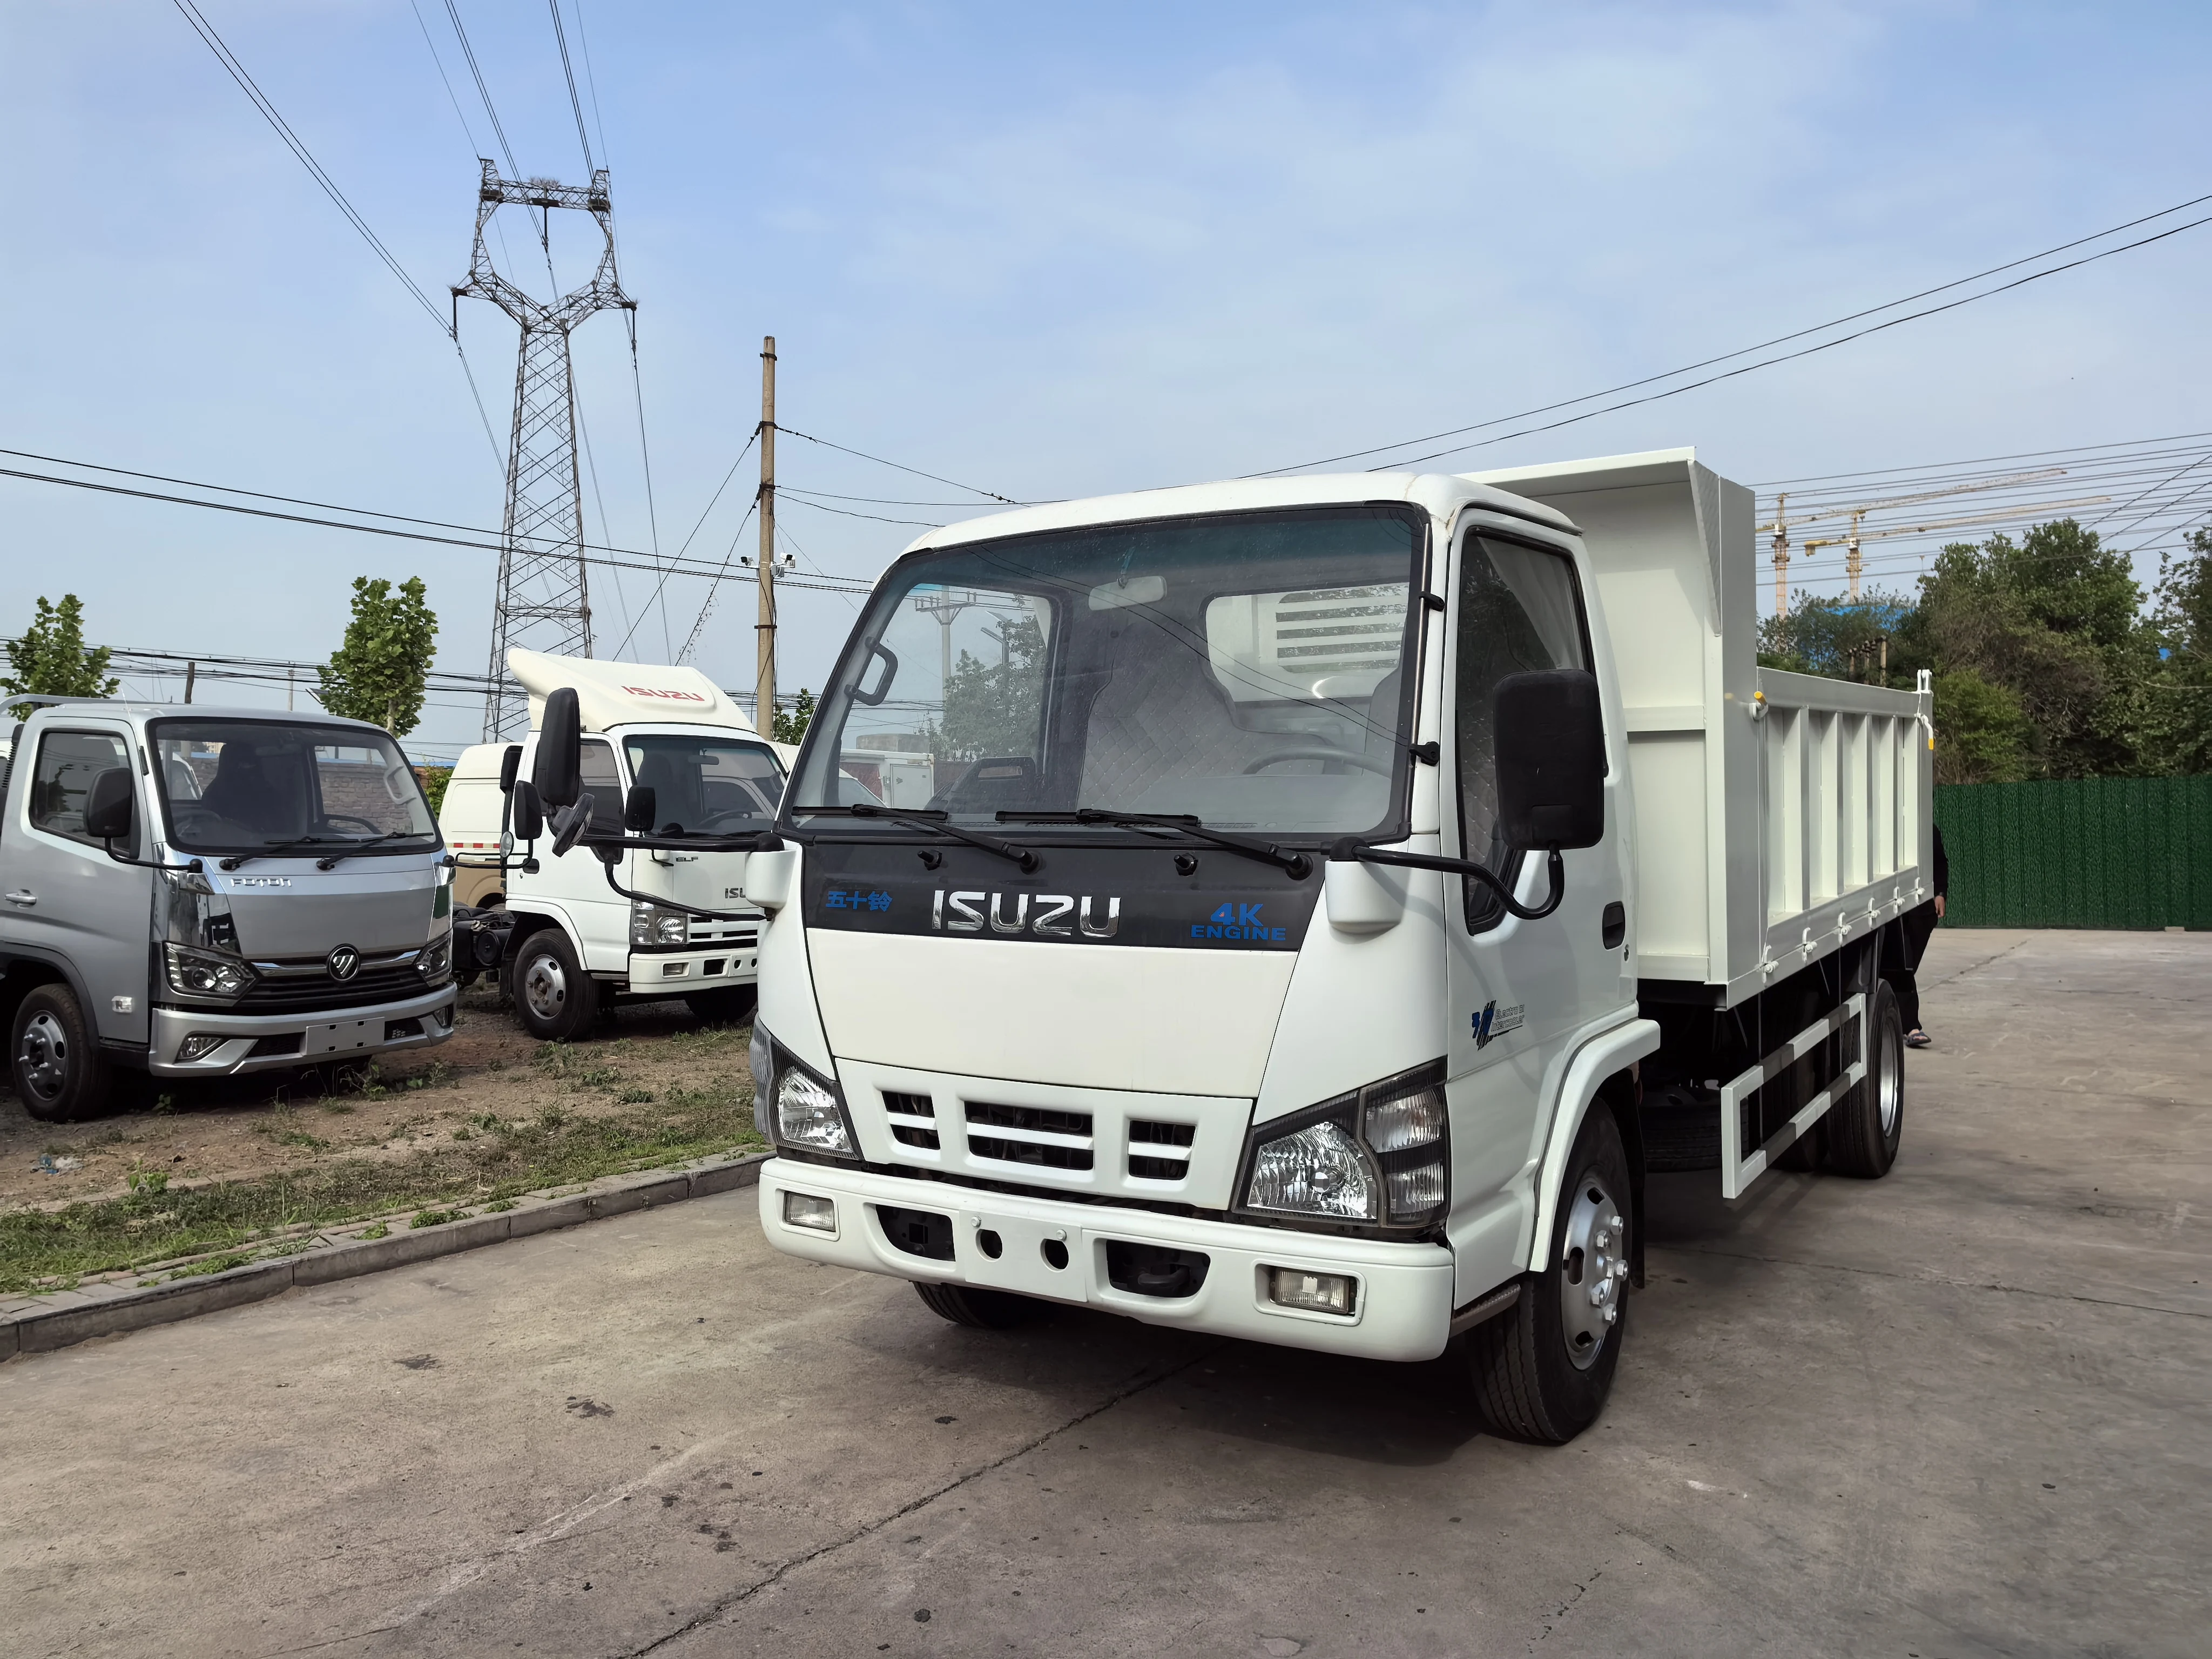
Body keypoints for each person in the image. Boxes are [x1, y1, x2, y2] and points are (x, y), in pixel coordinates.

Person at [1891, 824, 1948, 1048]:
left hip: (1921, 908)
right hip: (1892, 907)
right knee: (1902, 965)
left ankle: (1898, 1017)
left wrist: (1940, 893)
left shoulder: (1929, 829)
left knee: (1909, 965)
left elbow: (1940, 862)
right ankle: (1911, 1027)